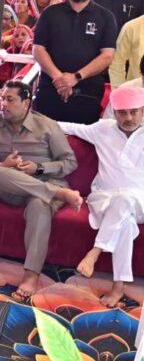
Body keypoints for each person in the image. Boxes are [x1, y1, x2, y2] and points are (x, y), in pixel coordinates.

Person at [0, 81, 83, 300]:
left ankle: (31, 275)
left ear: (26, 103)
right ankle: (56, 193)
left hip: (45, 181)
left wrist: (39, 168)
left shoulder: (47, 125)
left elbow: (69, 162)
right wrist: (3, 164)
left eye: (10, 100)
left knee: (39, 205)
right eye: (2, 99)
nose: (3, 104)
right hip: (12, 186)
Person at [59, 84, 144, 308]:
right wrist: (30, 118)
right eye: (122, 113)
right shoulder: (103, 129)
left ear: (142, 111)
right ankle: (118, 287)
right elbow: (68, 127)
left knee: (126, 199)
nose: (128, 118)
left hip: (140, 201)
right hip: (104, 199)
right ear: (114, 112)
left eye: (134, 112)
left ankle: (94, 253)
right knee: (125, 222)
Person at [32, 0, 117, 124]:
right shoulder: (50, 13)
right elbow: (38, 49)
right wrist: (59, 79)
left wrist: (76, 77)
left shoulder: (106, 17)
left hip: (87, 94)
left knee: (81, 140)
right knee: (43, 137)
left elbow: (107, 56)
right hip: (51, 90)